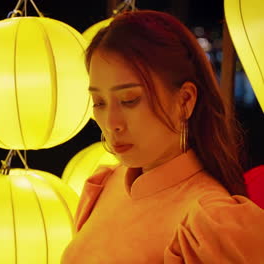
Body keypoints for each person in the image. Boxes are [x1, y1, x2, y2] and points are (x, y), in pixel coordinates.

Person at [61, 10, 264, 263]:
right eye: (99, 102)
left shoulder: (210, 222)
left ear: (185, 100)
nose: (111, 123)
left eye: (129, 100)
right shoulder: (105, 185)